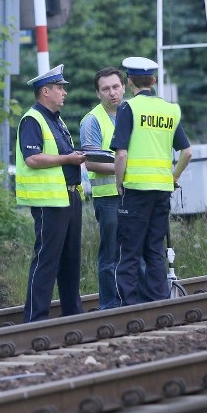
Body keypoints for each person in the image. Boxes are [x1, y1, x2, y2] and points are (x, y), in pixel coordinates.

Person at [111, 57, 192, 306]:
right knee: (154, 250)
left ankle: (130, 307)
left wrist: (119, 181)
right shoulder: (170, 110)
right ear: (153, 81)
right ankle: (157, 303)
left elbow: (121, 153)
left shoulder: (129, 108)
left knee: (130, 252)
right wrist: (174, 176)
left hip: (135, 190)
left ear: (129, 81)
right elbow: (187, 152)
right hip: (161, 191)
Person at [15, 64, 87, 323]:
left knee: (70, 261)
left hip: (69, 197)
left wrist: (74, 156)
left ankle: (73, 314)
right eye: (59, 88)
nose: (64, 92)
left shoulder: (56, 120)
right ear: (45, 91)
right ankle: (35, 319)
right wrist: (68, 158)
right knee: (47, 260)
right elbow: (32, 158)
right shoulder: (33, 119)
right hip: (50, 201)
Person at [79, 67, 125, 309]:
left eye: (115, 87)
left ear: (124, 87)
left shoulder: (132, 114)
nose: (112, 93)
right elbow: (91, 162)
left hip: (135, 195)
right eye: (105, 89)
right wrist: (124, 169)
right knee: (110, 256)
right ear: (98, 93)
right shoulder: (92, 120)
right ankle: (110, 307)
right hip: (108, 199)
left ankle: (134, 302)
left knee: (136, 253)